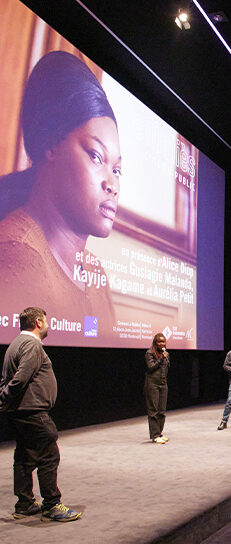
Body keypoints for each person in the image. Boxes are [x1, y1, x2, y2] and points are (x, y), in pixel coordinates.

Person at [0, 51, 120, 341]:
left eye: (117, 169)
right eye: (95, 155)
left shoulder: (95, 272)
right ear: (51, 143)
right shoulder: (19, 254)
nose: (112, 184)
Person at [0, 307, 81, 521]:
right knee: (48, 455)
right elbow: (19, 379)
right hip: (33, 411)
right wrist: (4, 398)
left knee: (25, 457)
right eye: (45, 320)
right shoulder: (31, 344)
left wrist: (4, 400)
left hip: (20, 413)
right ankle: (52, 505)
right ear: (37, 322)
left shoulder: (14, 345)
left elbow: (6, 380)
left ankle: (24, 504)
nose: (48, 324)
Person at [145, 333, 170, 443]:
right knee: (153, 410)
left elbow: (166, 368)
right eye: (159, 342)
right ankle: (155, 436)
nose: (162, 343)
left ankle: (159, 433)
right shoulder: (149, 353)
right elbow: (150, 367)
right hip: (152, 384)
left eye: (163, 341)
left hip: (163, 383)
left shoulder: (166, 354)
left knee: (162, 411)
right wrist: (160, 359)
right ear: (155, 343)